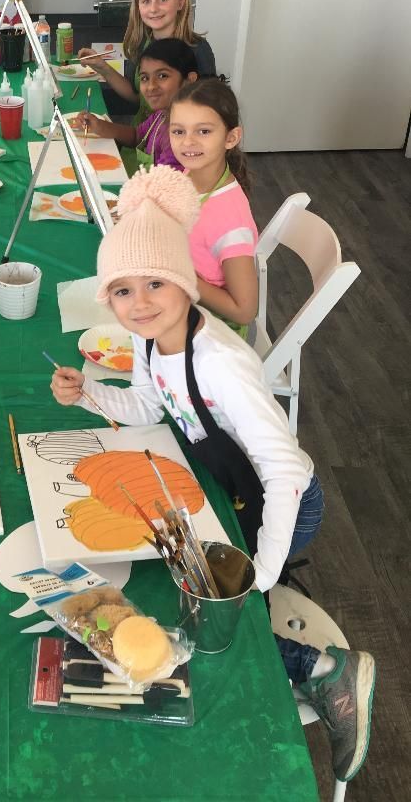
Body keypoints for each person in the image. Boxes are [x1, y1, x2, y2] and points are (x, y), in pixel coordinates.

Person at [49, 165, 375, 784]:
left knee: (213, 622)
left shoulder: (221, 363)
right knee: (170, 590)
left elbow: (284, 471)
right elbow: (149, 405)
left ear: (184, 283)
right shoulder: (150, 340)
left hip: (279, 503)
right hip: (224, 493)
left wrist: (261, 577)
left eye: (154, 284)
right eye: (122, 291)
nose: (139, 302)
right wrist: (89, 393)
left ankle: (326, 672)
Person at [169, 78, 258, 333]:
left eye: (203, 131)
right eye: (178, 131)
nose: (188, 142)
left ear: (231, 138)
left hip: (209, 333)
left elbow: (244, 310)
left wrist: (182, 275)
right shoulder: (191, 173)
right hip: (180, 301)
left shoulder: (230, 220)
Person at [78, 0, 216, 122]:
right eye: (146, 1)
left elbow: (209, 112)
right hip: (141, 137)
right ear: (138, 6)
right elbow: (137, 97)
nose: (153, 9)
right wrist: (102, 67)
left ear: (181, 2)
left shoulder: (198, 49)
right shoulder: (142, 42)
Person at [73, 38, 198, 173]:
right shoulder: (161, 115)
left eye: (162, 76)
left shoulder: (179, 138)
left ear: (189, 80)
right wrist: (99, 126)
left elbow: (164, 187)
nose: (151, 86)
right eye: (145, 78)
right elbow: (137, 136)